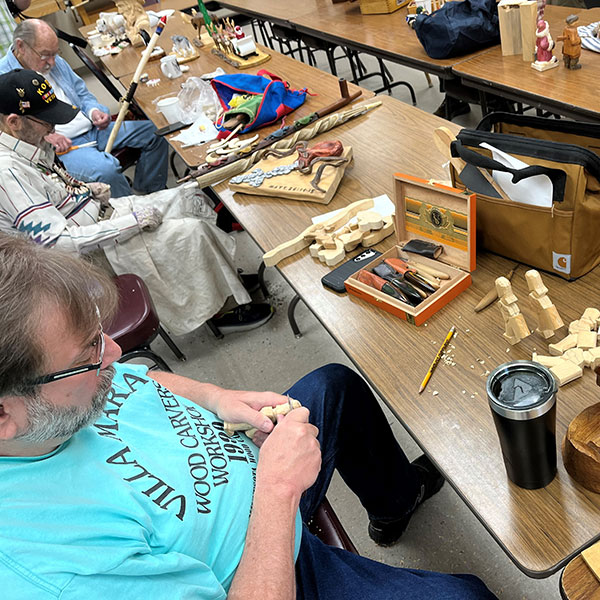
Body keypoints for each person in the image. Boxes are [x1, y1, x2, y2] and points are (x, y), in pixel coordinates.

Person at [0, 233, 498, 600]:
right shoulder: (55, 564)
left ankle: (395, 503)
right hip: (270, 572)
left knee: (334, 385)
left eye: (100, 334)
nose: (114, 354)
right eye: (89, 355)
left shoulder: (51, 399)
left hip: (261, 486)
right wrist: (278, 491)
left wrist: (217, 399)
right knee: (469, 597)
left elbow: (140, 378)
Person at [0, 68, 274, 335]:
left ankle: (221, 279)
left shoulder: (28, 142)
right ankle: (221, 310)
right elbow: (56, 244)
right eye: (46, 121)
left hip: (101, 217)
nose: (53, 126)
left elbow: (50, 189)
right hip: (86, 257)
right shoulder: (7, 171)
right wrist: (131, 223)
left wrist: (84, 191)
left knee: (190, 196)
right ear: (13, 122)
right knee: (190, 233)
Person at [0, 18, 168, 197]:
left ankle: (149, 193)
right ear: (21, 46)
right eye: (44, 55)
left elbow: (82, 94)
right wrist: (45, 136)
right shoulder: (5, 80)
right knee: (106, 170)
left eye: (55, 54)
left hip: (92, 128)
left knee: (156, 132)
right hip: (63, 147)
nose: (52, 62)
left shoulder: (54, 62)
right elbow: (6, 133)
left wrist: (93, 111)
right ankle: (132, 212)